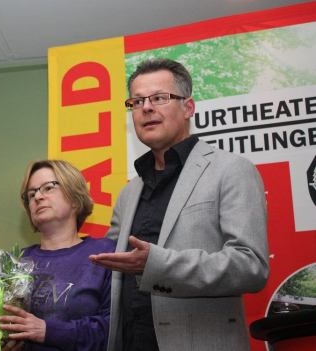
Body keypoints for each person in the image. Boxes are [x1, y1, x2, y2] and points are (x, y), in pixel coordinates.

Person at [89, 58, 269, 351]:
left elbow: (250, 266)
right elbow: (111, 274)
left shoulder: (231, 169)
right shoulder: (129, 192)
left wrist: (157, 265)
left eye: (159, 98)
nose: (146, 107)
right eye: (137, 101)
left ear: (188, 107)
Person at [0, 159, 115, 351]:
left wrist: (46, 331)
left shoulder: (105, 254)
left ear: (74, 197)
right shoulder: (13, 262)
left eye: (48, 188)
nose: (38, 197)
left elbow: (112, 329)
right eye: (31, 194)